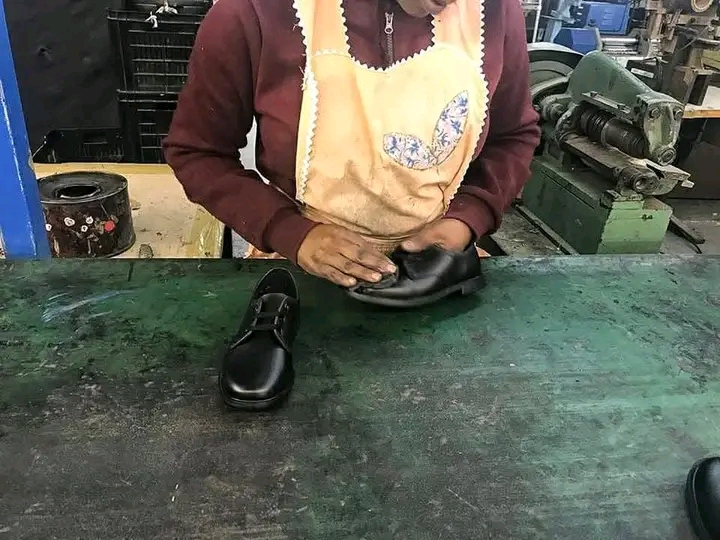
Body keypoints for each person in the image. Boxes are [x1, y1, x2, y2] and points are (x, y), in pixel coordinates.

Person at [164, 0, 540, 289]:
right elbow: (198, 152)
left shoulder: (495, 12)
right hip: (298, 265)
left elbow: (513, 136)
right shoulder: (256, 11)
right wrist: (290, 232)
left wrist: (466, 218)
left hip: (436, 267)